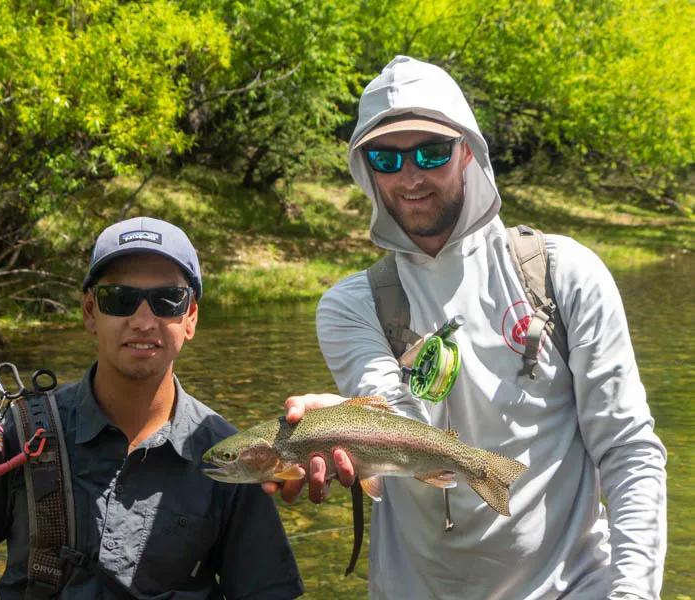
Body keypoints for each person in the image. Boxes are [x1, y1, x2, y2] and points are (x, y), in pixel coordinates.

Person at [264, 56, 667, 599]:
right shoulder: (350, 305)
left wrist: (634, 593)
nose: (410, 176)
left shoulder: (562, 272)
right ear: (366, 169)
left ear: (469, 152)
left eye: (431, 152)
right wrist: (338, 421)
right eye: (386, 157)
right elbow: (397, 420)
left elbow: (627, 447)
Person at [0, 217, 304, 599]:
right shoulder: (25, 433)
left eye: (167, 300)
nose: (142, 321)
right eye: (119, 299)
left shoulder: (230, 455)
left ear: (190, 318)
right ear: (90, 312)